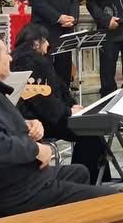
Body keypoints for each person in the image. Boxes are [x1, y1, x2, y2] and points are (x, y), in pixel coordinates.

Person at [0, 32, 118, 218]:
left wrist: (26, 124)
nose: (11, 57)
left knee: (79, 172)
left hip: (2, 183)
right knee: (111, 200)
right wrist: (35, 149)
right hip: (16, 192)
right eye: (6, 53)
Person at [10, 24, 108, 183]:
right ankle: (90, 180)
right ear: (35, 43)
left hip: (38, 117)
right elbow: (43, 102)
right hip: (42, 121)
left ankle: (94, 178)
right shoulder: (33, 61)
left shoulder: (21, 59)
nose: (48, 45)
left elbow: (58, 88)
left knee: (88, 126)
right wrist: (68, 112)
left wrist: (71, 106)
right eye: (45, 41)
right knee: (89, 128)